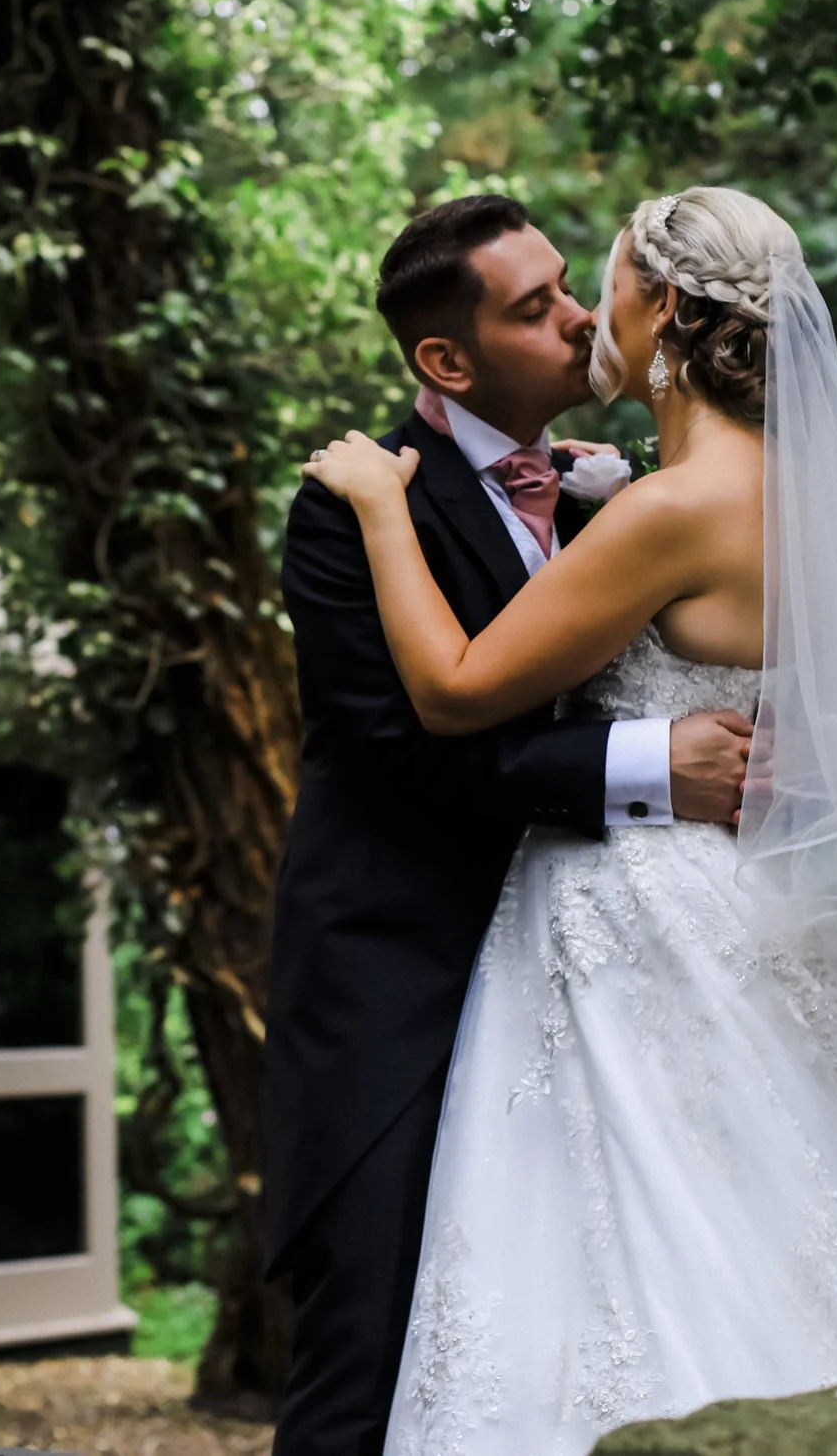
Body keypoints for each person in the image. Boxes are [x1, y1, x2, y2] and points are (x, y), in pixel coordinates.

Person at [302, 186, 837, 1456]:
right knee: (784, 1222)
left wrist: (381, 507)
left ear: (672, 316)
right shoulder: (779, 493)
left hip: (636, 919)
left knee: (621, 1239)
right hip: (749, 919)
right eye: (553, 298)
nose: (592, 310)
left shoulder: (664, 510)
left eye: (607, 286)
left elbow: (456, 688)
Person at [266, 195, 755, 1456]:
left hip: (612, 986)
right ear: (446, 359)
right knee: (368, 1353)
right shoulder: (351, 508)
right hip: (401, 983)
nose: (580, 314)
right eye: (534, 306)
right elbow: (399, 752)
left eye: (568, 285)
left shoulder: (621, 499)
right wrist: (649, 761)